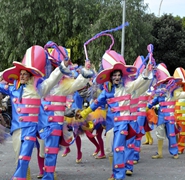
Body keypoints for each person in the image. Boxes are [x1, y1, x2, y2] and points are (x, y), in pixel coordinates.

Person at [77, 50, 153, 180]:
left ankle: (120, 175)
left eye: (119, 75)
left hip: (125, 124)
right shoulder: (106, 91)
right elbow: (95, 104)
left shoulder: (127, 87)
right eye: (114, 75)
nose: (117, 77)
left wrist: (146, 72)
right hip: (113, 124)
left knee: (118, 148)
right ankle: (116, 173)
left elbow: (139, 82)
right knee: (112, 149)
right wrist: (84, 113)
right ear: (111, 77)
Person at [0, 45, 69, 180]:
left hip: (33, 128)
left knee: (30, 154)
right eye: (21, 74)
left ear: (31, 76)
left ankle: (39, 175)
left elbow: (52, 80)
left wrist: (62, 66)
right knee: (19, 157)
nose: (23, 76)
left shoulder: (39, 88)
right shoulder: (13, 89)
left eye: (26, 74)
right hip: (17, 128)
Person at [37, 43, 93, 180]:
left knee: (51, 152)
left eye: (56, 66)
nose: (53, 69)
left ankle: (48, 175)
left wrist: (85, 71)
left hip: (56, 123)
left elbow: (78, 84)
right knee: (42, 151)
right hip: (42, 122)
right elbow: (47, 83)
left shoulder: (64, 86)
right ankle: (40, 172)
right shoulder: (42, 83)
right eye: (52, 66)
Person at [148, 63, 185, 159]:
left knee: (171, 134)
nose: (163, 85)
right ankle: (159, 153)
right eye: (162, 83)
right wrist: (148, 105)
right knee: (159, 134)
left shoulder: (174, 93)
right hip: (161, 116)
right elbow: (153, 102)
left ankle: (174, 152)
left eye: (165, 82)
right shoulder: (159, 95)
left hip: (170, 117)